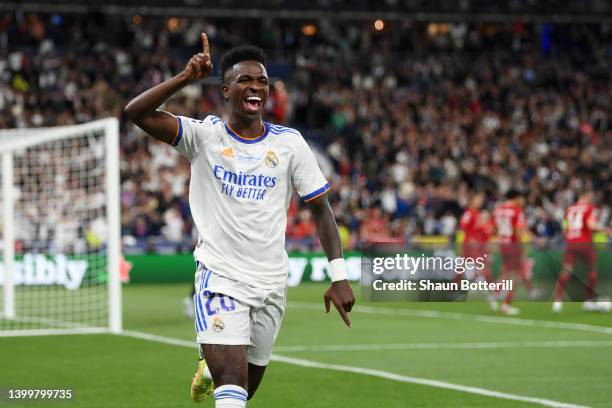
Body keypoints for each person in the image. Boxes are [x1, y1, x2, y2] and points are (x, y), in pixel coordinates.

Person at [124, 34, 355, 407]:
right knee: (231, 387)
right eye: (246, 80)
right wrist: (184, 78)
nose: (256, 87)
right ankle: (215, 364)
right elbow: (135, 113)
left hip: (271, 284)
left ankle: (208, 366)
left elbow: (320, 209)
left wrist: (339, 275)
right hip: (221, 278)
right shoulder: (204, 136)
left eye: (262, 81)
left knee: (243, 389)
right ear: (227, 89)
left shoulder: (289, 144)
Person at [553, 191, 611, 313]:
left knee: (566, 271)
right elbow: (591, 226)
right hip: (584, 243)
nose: (592, 199)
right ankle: (588, 301)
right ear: (586, 196)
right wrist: (606, 230)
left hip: (571, 243)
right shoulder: (589, 208)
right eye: (591, 197)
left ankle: (557, 301)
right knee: (592, 270)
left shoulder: (569, 210)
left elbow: (565, 231)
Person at [492, 190, 539, 315]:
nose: (523, 201)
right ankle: (506, 304)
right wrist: (531, 241)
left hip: (503, 244)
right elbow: (520, 231)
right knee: (514, 275)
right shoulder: (517, 211)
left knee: (507, 272)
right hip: (513, 245)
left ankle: (495, 293)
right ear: (516, 197)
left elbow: (495, 228)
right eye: (522, 198)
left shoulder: (498, 210)